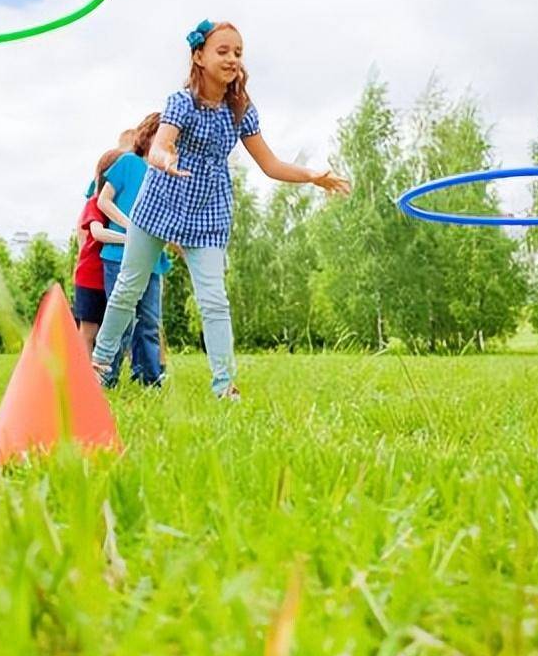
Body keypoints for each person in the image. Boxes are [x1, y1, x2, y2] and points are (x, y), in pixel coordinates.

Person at [90, 20, 351, 400]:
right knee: (128, 288)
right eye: (223, 51)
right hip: (159, 203)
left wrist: (312, 175)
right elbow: (162, 144)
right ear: (199, 57)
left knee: (214, 300)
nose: (232, 59)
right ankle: (98, 366)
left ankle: (224, 386)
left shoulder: (240, 110)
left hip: (208, 212)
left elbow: (270, 164)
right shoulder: (181, 103)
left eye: (238, 53)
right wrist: (163, 158)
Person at [97, 113, 171, 387]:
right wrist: (131, 227)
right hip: (119, 256)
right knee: (121, 320)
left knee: (149, 323)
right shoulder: (128, 163)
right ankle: (106, 378)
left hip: (152, 259)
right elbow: (103, 201)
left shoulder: (166, 175)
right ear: (150, 135)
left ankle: (149, 379)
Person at [72, 148, 127, 357]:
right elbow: (97, 232)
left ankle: (102, 376)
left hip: (111, 275)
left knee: (112, 329)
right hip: (90, 277)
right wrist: (129, 239)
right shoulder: (95, 203)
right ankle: (84, 376)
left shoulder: (121, 207)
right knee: (89, 330)